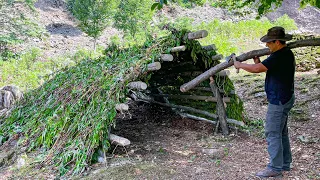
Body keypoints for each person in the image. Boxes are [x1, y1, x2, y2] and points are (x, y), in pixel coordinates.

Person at [233, 26, 295, 178]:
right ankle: (285, 163)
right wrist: (259, 62)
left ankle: (275, 168)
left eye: (269, 42)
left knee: (272, 133)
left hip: (279, 100)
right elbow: (268, 68)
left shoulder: (279, 56)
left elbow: (256, 70)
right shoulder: (284, 54)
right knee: (281, 132)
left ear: (278, 42)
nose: (267, 45)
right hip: (284, 97)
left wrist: (239, 65)